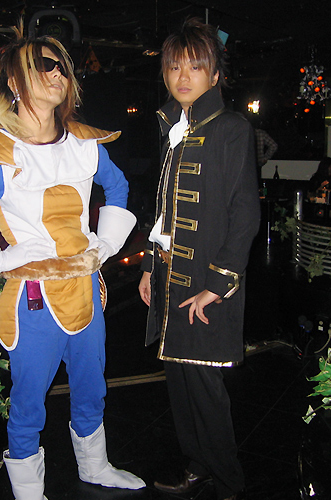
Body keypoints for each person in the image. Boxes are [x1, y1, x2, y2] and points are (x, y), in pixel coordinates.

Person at [0, 26, 144, 500]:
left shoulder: (83, 143)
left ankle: (95, 466)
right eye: (43, 65)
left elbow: (118, 185)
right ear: (14, 83)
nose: (57, 73)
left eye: (61, 66)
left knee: (92, 386)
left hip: (86, 289)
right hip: (34, 300)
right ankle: (27, 491)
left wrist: (105, 244)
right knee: (28, 401)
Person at [138, 18, 260, 500]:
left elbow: (245, 214)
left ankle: (229, 481)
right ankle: (197, 465)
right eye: (174, 67)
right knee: (181, 382)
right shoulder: (174, 129)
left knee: (207, 390)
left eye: (194, 66)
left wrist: (218, 283)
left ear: (215, 75)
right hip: (171, 278)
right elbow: (163, 210)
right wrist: (150, 265)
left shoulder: (231, 128)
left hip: (207, 281)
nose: (183, 76)